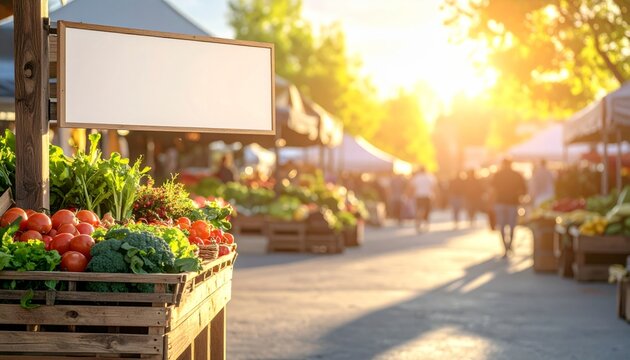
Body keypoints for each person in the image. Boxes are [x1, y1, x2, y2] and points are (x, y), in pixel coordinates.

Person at [490, 159, 527, 257]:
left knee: (502, 226)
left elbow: (493, 190)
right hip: (512, 203)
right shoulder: (516, 175)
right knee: (512, 225)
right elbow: (523, 190)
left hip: (500, 202)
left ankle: (505, 247)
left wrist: (492, 203)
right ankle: (509, 245)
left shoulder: (498, 174)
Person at [409, 166, 436, 232]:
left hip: (418, 195)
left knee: (419, 209)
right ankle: (426, 224)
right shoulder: (430, 177)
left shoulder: (416, 177)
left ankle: (418, 221)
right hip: (427, 196)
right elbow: (433, 187)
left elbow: (411, 186)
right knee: (427, 210)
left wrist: (410, 195)